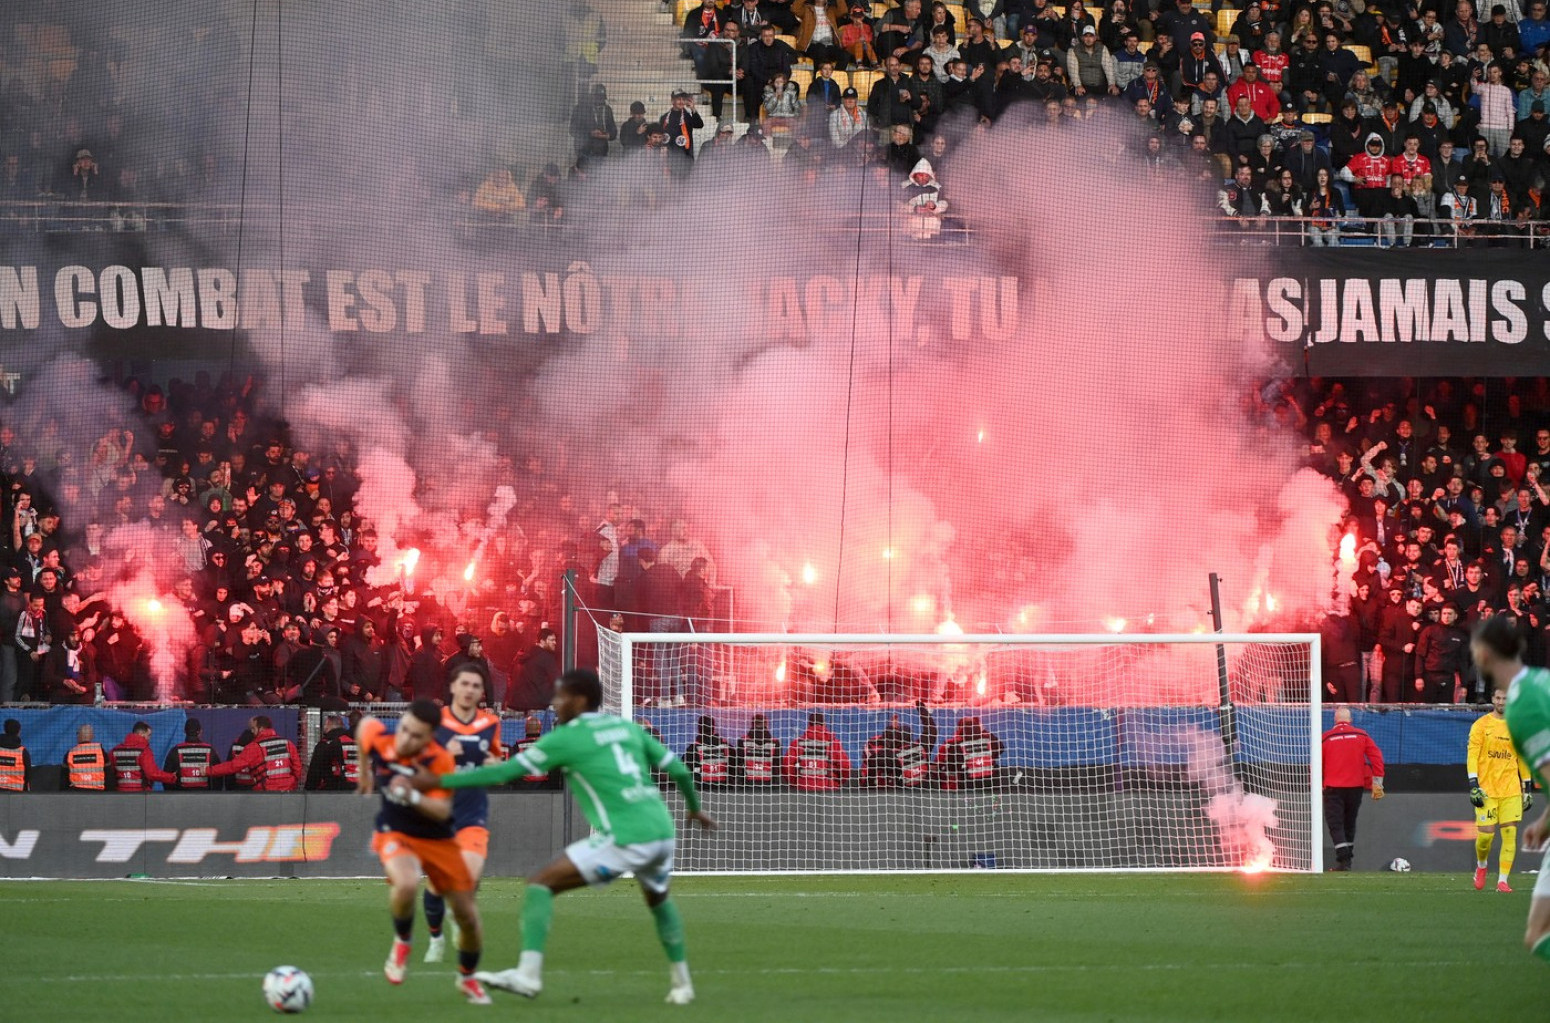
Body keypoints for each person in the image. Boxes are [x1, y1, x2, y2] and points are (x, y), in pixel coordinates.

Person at [410, 669, 716, 1005]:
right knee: (658, 901)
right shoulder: (627, 728)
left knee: (540, 885)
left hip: (626, 837)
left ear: (580, 699)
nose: (555, 704)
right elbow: (680, 770)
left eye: (561, 696)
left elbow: (504, 771)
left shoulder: (567, 737)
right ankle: (682, 984)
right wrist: (694, 809)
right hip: (662, 831)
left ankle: (527, 975)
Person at [356, 700, 489, 1004]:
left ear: (429, 738)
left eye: (416, 736)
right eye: (404, 729)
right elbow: (364, 727)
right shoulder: (384, 740)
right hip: (397, 832)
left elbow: (442, 811)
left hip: (438, 840)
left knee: (468, 918)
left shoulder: (439, 760)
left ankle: (467, 977)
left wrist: (411, 794)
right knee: (406, 883)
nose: (406, 739)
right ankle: (403, 943)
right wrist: (365, 772)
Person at [1471, 615, 1550, 960]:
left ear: (1483, 655)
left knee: (1537, 934)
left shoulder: (1523, 707)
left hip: (1512, 793)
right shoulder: (1539, 680)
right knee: (1537, 933)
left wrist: (1545, 823)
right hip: (1494, 790)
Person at [424, 663, 505, 965]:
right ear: (453, 687)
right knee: (436, 885)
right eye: (465, 684)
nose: (470, 690)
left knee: (468, 879)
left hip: (472, 815)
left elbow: (497, 767)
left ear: (481, 692)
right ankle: (436, 938)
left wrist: (493, 767)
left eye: (476, 686)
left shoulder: (489, 724)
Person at [1468, 685, 1534, 892]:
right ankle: (1481, 866)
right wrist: (1473, 785)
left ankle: (1502, 881)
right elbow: (1472, 756)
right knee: (1486, 837)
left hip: (1511, 789)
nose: (1501, 702)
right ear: (1493, 699)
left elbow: (1522, 759)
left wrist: (1528, 787)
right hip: (1487, 789)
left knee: (1509, 834)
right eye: (1498, 698)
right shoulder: (1481, 725)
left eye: (1505, 699)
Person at [1321, 705, 1385, 871]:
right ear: (1350, 720)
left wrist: (1316, 785)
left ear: (1334, 720)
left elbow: (1316, 765)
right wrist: (1377, 783)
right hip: (1355, 788)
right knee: (1349, 823)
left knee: (1335, 824)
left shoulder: (1325, 738)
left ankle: (1344, 859)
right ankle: (1346, 862)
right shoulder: (1361, 735)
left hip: (1333, 788)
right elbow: (1376, 757)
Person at [207, 714, 303, 791]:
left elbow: (233, 766)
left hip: (266, 792)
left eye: (253, 728)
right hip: (288, 791)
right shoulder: (287, 743)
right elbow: (297, 767)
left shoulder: (255, 747)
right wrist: (293, 783)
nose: (252, 732)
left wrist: (208, 770)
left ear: (261, 728)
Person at [862, 700, 938, 786]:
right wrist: (921, 708)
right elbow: (932, 730)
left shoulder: (888, 755)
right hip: (922, 790)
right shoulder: (922, 747)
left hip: (897, 791)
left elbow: (873, 760)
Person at [784, 711, 852, 790]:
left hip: (803, 789)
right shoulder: (834, 743)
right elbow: (845, 766)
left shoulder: (797, 743)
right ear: (824, 724)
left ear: (809, 724)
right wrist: (837, 782)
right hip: (828, 789)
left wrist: (795, 782)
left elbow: (787, 765)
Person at [934, 715, 1004, 789]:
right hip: (992, 783)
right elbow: (1001, 748)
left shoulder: (956, 744)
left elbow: (952, 766)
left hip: (969, 786)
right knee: (995, 799)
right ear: (979, 727)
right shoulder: (989, 739)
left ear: (960, 729)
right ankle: (996, 800)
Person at [110, 720, 176, 792]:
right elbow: (152, 773)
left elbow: (110, 774)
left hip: (119, 794)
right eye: (149, 735)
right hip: (141, 795)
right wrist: (171, 777)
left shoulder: (114, 751)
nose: (149, 739)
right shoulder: (144, 750)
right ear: (141, 734)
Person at [304, 712, 359, 791]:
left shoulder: (324, 744)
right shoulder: (352, 741)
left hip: (331, 789)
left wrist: (308, 791)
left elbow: (315, 772)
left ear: (328, 723)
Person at [162, 717, 219, 790]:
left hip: (181, 797)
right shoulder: (210, 750)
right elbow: (218, 776)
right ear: (200, 731)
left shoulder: (175, 751)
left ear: (184, 731)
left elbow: (166, 777)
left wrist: (174, 796)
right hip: (205, 796)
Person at [510, 627, 560, 711]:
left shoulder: (525, 654)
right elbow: (557, 679)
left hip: (517, 703)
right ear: (542, 641)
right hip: (537, 704)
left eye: (555, 640)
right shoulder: (547, 657)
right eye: (551, 640)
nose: (555, 643)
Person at [682, 715, 733, 788]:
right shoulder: (726, 746)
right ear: (713, 728)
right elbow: (735, 765)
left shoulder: (693, 749)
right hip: (724, 789)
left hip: (702, 790)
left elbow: (684, 769)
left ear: (699, 728)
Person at [736, 713, 783, 786]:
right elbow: (779, 764)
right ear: (766, 724)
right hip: (769, 785)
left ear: (752, 724)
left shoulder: (742, 741)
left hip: (747, 785)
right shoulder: (775, 742)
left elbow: (738, 762)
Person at [64, 723, 106, 790]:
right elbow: (109, 774)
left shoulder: (70, 753)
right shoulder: (101, 752)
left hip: (76, 793)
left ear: (78, 736)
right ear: (92, 736)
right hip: (98, 793)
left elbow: (64, 779)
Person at [0, 718, 27, 791]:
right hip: (17, 793)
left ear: (5, 730)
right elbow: (28, 776)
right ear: (19, 732)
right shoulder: (23, 752)